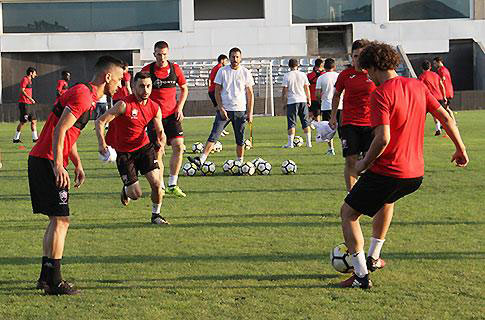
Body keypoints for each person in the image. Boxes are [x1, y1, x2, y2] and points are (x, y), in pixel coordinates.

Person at [337, 41, 468, 289]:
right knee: (386, 201)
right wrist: (460, 149)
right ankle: (374, 257)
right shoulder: (418, 86)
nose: (370, 79)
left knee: (348, 214)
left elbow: (383, 138)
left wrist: (364, 162)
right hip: (415, 174)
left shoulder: (381, 93)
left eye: (368, 72)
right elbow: (446, 118)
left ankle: (361, 276)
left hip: (389, 170)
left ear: (375, 67)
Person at [28, 55, 124, 295]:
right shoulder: (83, 96)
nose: (120, 86)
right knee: (62, 220)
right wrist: (59, 165)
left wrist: (77, 163)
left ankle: (45, 277)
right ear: (108, 77)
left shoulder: (86, 96)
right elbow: (60, 129)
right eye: (120, 80)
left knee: (56, 219)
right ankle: (56, 282)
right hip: (47, 161)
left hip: (43, 159)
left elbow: (68, 133)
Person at [95, 71, 168, 225]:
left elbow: (160, 130)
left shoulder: (154, 107)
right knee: (136, 194)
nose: (146, 90)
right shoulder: (123, 105)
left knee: (156, 184)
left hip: (144, 148)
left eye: (148, 86)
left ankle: (156, 215)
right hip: (124, 153)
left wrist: (161, 142)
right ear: (134, 87)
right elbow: (100, 122)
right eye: (141, 86)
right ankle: (127, 189)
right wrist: (102, 143)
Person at [188, 47, 254, 167]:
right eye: (233, 57)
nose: (235, 59)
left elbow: (250, 93)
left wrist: (250, 112)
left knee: (240, 138)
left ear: (241, 58)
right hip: (225, 110)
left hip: (240, 110)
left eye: (237, 57)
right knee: (214, 135)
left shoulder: (245, 72)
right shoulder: (222, 71)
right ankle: (201, 160)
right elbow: (217, 91)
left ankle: (240, 162)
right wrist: (221, 108)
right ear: (229, 58)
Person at [142, 41, 188, 198]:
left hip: (172, 116)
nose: (162, 57)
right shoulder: (147, 71)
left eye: (164, 54)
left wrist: (180, 107)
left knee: (179, 147)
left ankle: (173, 184)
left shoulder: (175, 69)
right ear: (154, 54)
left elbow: (184, 88)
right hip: (155, 118)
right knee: (158, 152)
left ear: (168, 54)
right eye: (159, 54)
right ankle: (160, 185)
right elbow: (138, 90)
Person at [330, 39, 376, 192]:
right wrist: (332, 117)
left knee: (371, 162)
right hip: (349, 123)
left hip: (371, 124)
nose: (358, 59)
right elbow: (336, 95)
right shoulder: (345, 75)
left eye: (361, 56)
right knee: (350, 160)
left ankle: (370, 192)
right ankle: (352, 195)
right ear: (351, 57)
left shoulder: (374, 74)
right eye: (355, 56)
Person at [281, 58, 312, 148]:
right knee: (305, 122)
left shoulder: (287, 75)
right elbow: (306, 88)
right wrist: (308, 99)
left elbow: (285, 90)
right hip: (302, 100)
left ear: (289, 66)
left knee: (291, 123)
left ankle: (290, 144)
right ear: (298, 65)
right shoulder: (303, 75)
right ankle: (308, 143)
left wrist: (284, 102)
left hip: (292, 101)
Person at [316, 58, 341, 155]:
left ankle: (331, 149)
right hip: (340, 105)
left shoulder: (321, 78)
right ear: (334, 67)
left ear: (324, 67)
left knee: (328, 129)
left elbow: (317, 94)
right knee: (341, 129)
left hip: (326, 106)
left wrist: (320, 101)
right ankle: (345, 147)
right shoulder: (339, 76)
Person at [418, 60, 447, 136]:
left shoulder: (422, 76)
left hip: (430, 99)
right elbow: (442, 85)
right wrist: (444, 96)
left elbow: (419, 88)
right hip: (439, 97)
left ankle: (418, 130)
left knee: (421, 115)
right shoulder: (436, 75)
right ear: (430, 67)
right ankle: (441, 128)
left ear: (421, 68)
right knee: (441, 115)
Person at [13, 67, 38, 143]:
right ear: (30, 73)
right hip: (24, 104)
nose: (35, 75)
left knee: (34, 121)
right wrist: (30, 98)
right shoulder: (25, 79)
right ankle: (16, 138)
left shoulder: (30, 80)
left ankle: (35, 138)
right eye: (34, 73)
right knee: (23, 122)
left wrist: (30, 100)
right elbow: (22, 91)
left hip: (29, 104)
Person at [208, 54, 230, 136]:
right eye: (226, 60)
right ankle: (220, 128)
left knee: (220, 110)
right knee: (221, 110)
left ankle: (221, 128)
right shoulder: (220, 68)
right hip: (214, 91)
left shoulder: (216, 67)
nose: (226, 62)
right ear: (222, 60)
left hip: (212, 91)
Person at [433, 57, 456, 123]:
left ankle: (452, 123)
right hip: (448, 91)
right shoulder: (445, 69)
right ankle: (451, 123)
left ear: (439, 62)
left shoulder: (441, 70)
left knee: (443, 109)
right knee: (446, 108)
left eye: (435, 63)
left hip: (445, 92)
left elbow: (442, 79)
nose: (434, 65)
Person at [307, 58, 324, 123]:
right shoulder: (324, 75)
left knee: (315, 115)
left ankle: (311, 122)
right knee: (318, 116)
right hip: (320, 98)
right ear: (321, 66)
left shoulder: (309, 75)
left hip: (312, 98)